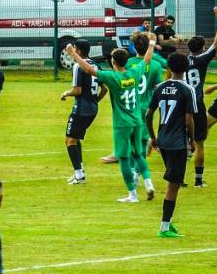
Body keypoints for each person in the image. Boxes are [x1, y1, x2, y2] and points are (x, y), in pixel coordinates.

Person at [66, 32, 157, 203]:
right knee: (138, 154)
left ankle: (132, 195)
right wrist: (151, 42)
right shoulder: (134, 73)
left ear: (113, 62)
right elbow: (146, 59)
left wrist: (72, 54)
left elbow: (88, 69)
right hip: (137, 120)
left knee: (123, 158)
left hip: (122, 124)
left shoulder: (112, 77)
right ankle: (149, 184)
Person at [145, 53, 196, 238]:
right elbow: (188, 120)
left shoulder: (160, 87)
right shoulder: (187, 89)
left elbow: (148, 115)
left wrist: (153, 137)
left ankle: (169, 223)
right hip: (177, 143)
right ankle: (164, 227)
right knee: (173, 185)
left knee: (174, 182)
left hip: (163, 141)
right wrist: (191, 140)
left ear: (169, 68)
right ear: (186, 69)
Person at [61, 39, 107, 184]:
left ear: (78, 51)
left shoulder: (78, 66)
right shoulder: (95, 65)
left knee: (69, 141)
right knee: (75, 138)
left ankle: (79, 175)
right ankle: (79, 170)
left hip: (81, 109)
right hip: (92, 109)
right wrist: (95, 101)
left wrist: (66, 94)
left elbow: (77, 90)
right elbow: (105, 88)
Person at [183, 7, 217, 187]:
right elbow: (216, 44)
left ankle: (177, 178)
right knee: (199, 143)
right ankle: (198, 181)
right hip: (196, 104)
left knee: (179, 140)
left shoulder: (182, 60)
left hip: (181, 103)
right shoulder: (202, 60)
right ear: (202, 48)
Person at [127, 33, 164, 159]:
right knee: (141, 136)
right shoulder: (155, 65)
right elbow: (158, 86)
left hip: (130, 103)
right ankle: (147, 142)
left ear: (134, 47)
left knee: (131, 135)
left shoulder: (128, 63)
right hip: (147, 104)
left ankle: (134, 168)